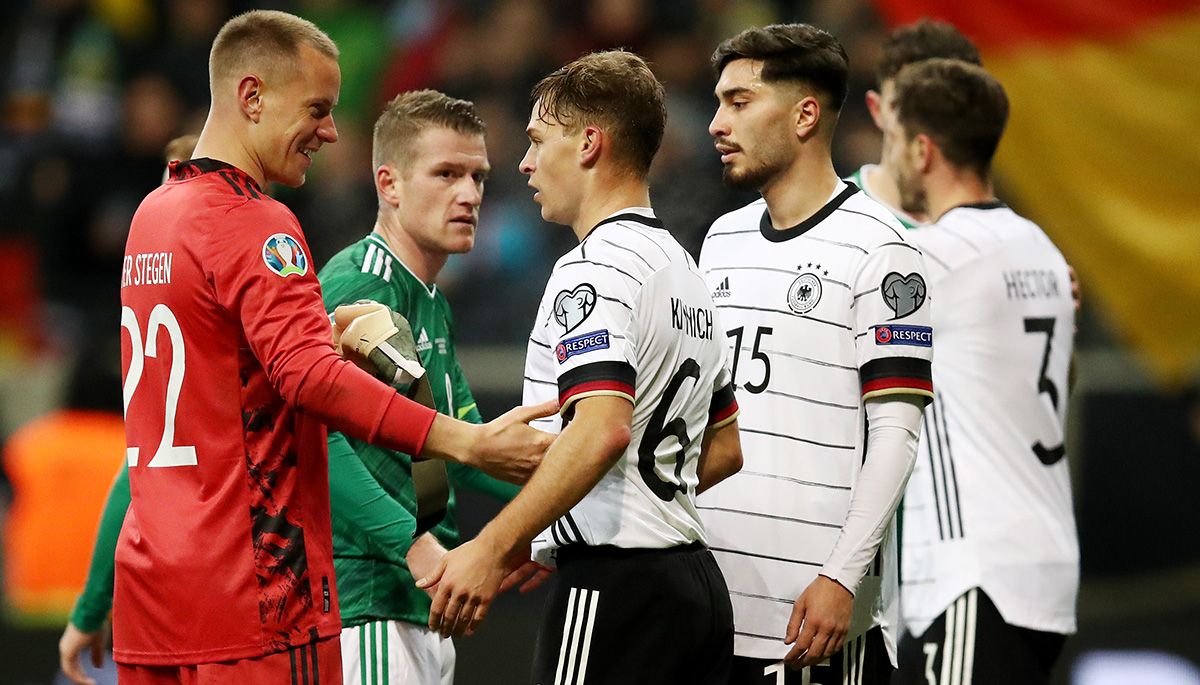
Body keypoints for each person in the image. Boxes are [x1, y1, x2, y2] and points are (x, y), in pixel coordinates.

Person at [111, 10, 550, 684]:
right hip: (253, 594)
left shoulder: (153, 215)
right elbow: (308, 378)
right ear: (251, 96)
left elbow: (217, 384)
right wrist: (459, 443)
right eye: (316, 108)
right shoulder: (257, 223)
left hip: (157, 594)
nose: (331, 131)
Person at [417, 50, 745, 684]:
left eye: (540, 141)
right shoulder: (686, 270)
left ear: (589, 142)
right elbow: (725, 448)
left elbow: (602, 430)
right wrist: (566, 517)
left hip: (615, 587)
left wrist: (491, 546)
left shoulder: (592, 271)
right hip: (696, 589)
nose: (526, 162)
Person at [699, 24, 933, 683]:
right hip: (710, 606)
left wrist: (840, 575)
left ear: (805, 114)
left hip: (812, 619)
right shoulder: (720, 239)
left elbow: (897, 433)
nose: (717, 123)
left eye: (739, 102)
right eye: (717, 102)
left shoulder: (881, 248)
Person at [881, 58, 1078, 685]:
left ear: (922, 150)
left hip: (975, 570)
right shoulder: (1041, 250)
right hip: (1039, 560)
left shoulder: (937, 257)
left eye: (892, 146)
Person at [318, 89, 521, 685]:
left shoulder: (429, 299)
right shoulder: (360, 289)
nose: (469, 195)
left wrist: (554, 514)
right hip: (370, 597)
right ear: (390, 184)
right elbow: (318, 445)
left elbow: (468, 448)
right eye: (447, 173)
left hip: (419, 600)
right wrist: (413, 546)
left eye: (478, 177)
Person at [847, 19, 982, 228]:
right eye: (904, 106)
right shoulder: (830, 220)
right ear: (877, 109)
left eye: (941, 107)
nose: (921, 125)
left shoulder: (996, 236)